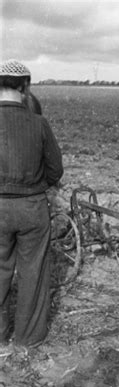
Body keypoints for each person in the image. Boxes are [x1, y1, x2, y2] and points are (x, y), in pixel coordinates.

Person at [0, 59, 63, 347]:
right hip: (32, 208)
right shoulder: (39, 123)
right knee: (33, 271)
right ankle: (28, 338)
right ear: (26, 86)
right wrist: (35, 190)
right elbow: (55, 171)